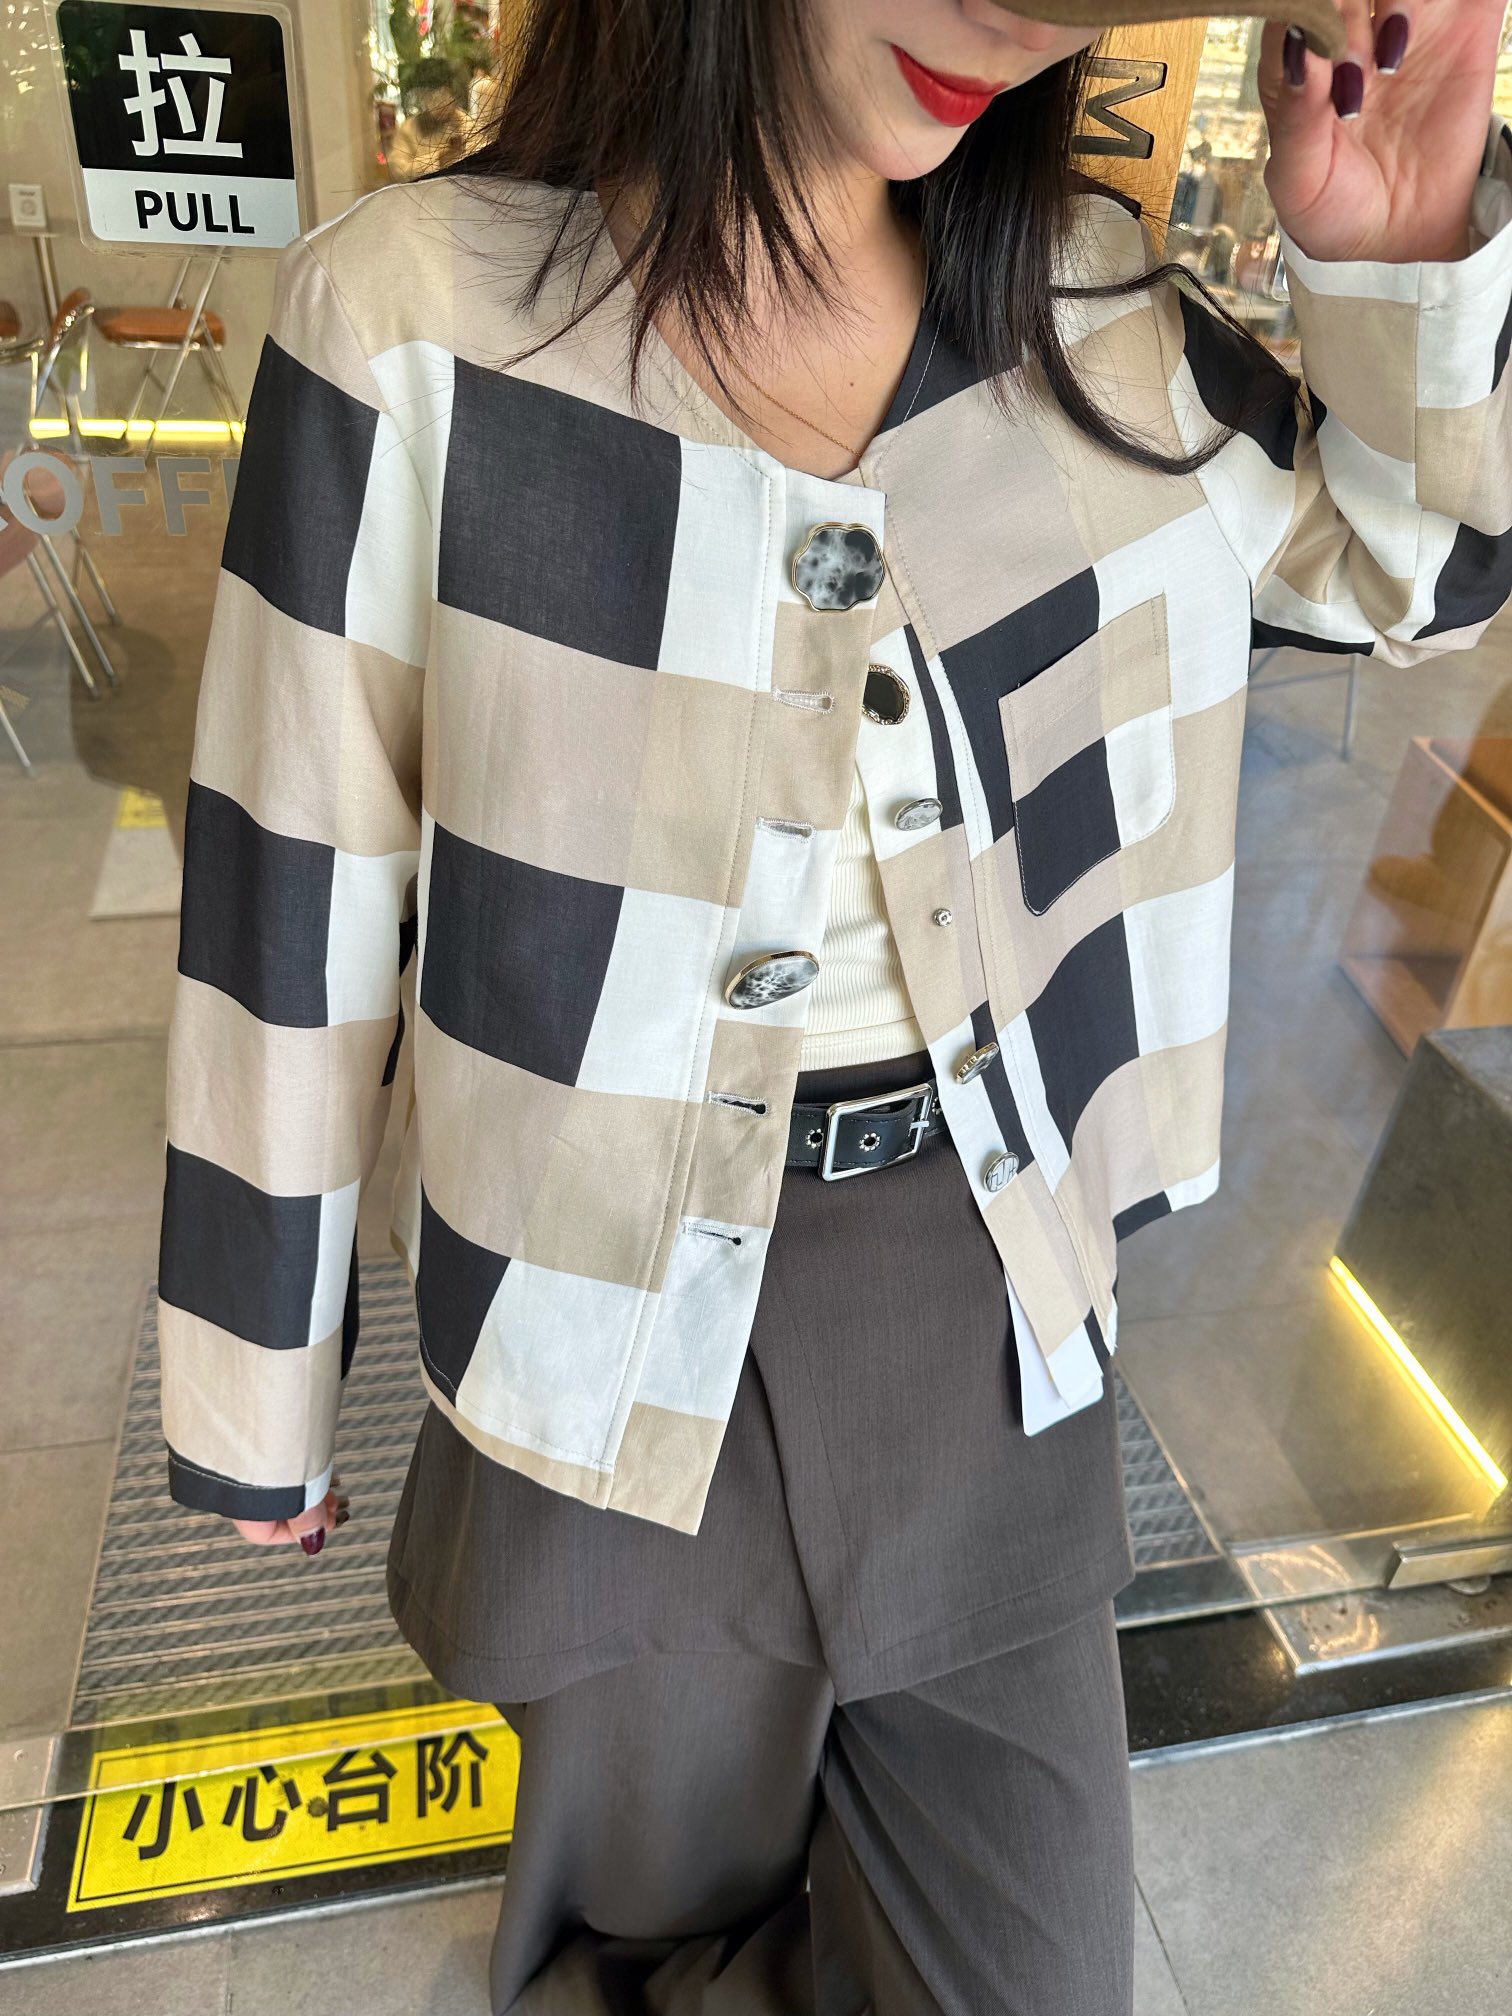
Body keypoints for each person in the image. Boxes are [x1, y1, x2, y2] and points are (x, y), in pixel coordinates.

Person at [154, 0, 1512, 2008]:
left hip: (985, 1282)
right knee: (642, 1945)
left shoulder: (1084, 305)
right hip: (604, 1307)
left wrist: (1397, 247)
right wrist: (252, 1386)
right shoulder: (418, 319)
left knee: (1028, 1968)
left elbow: (1423, 571)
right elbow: (292, 872)